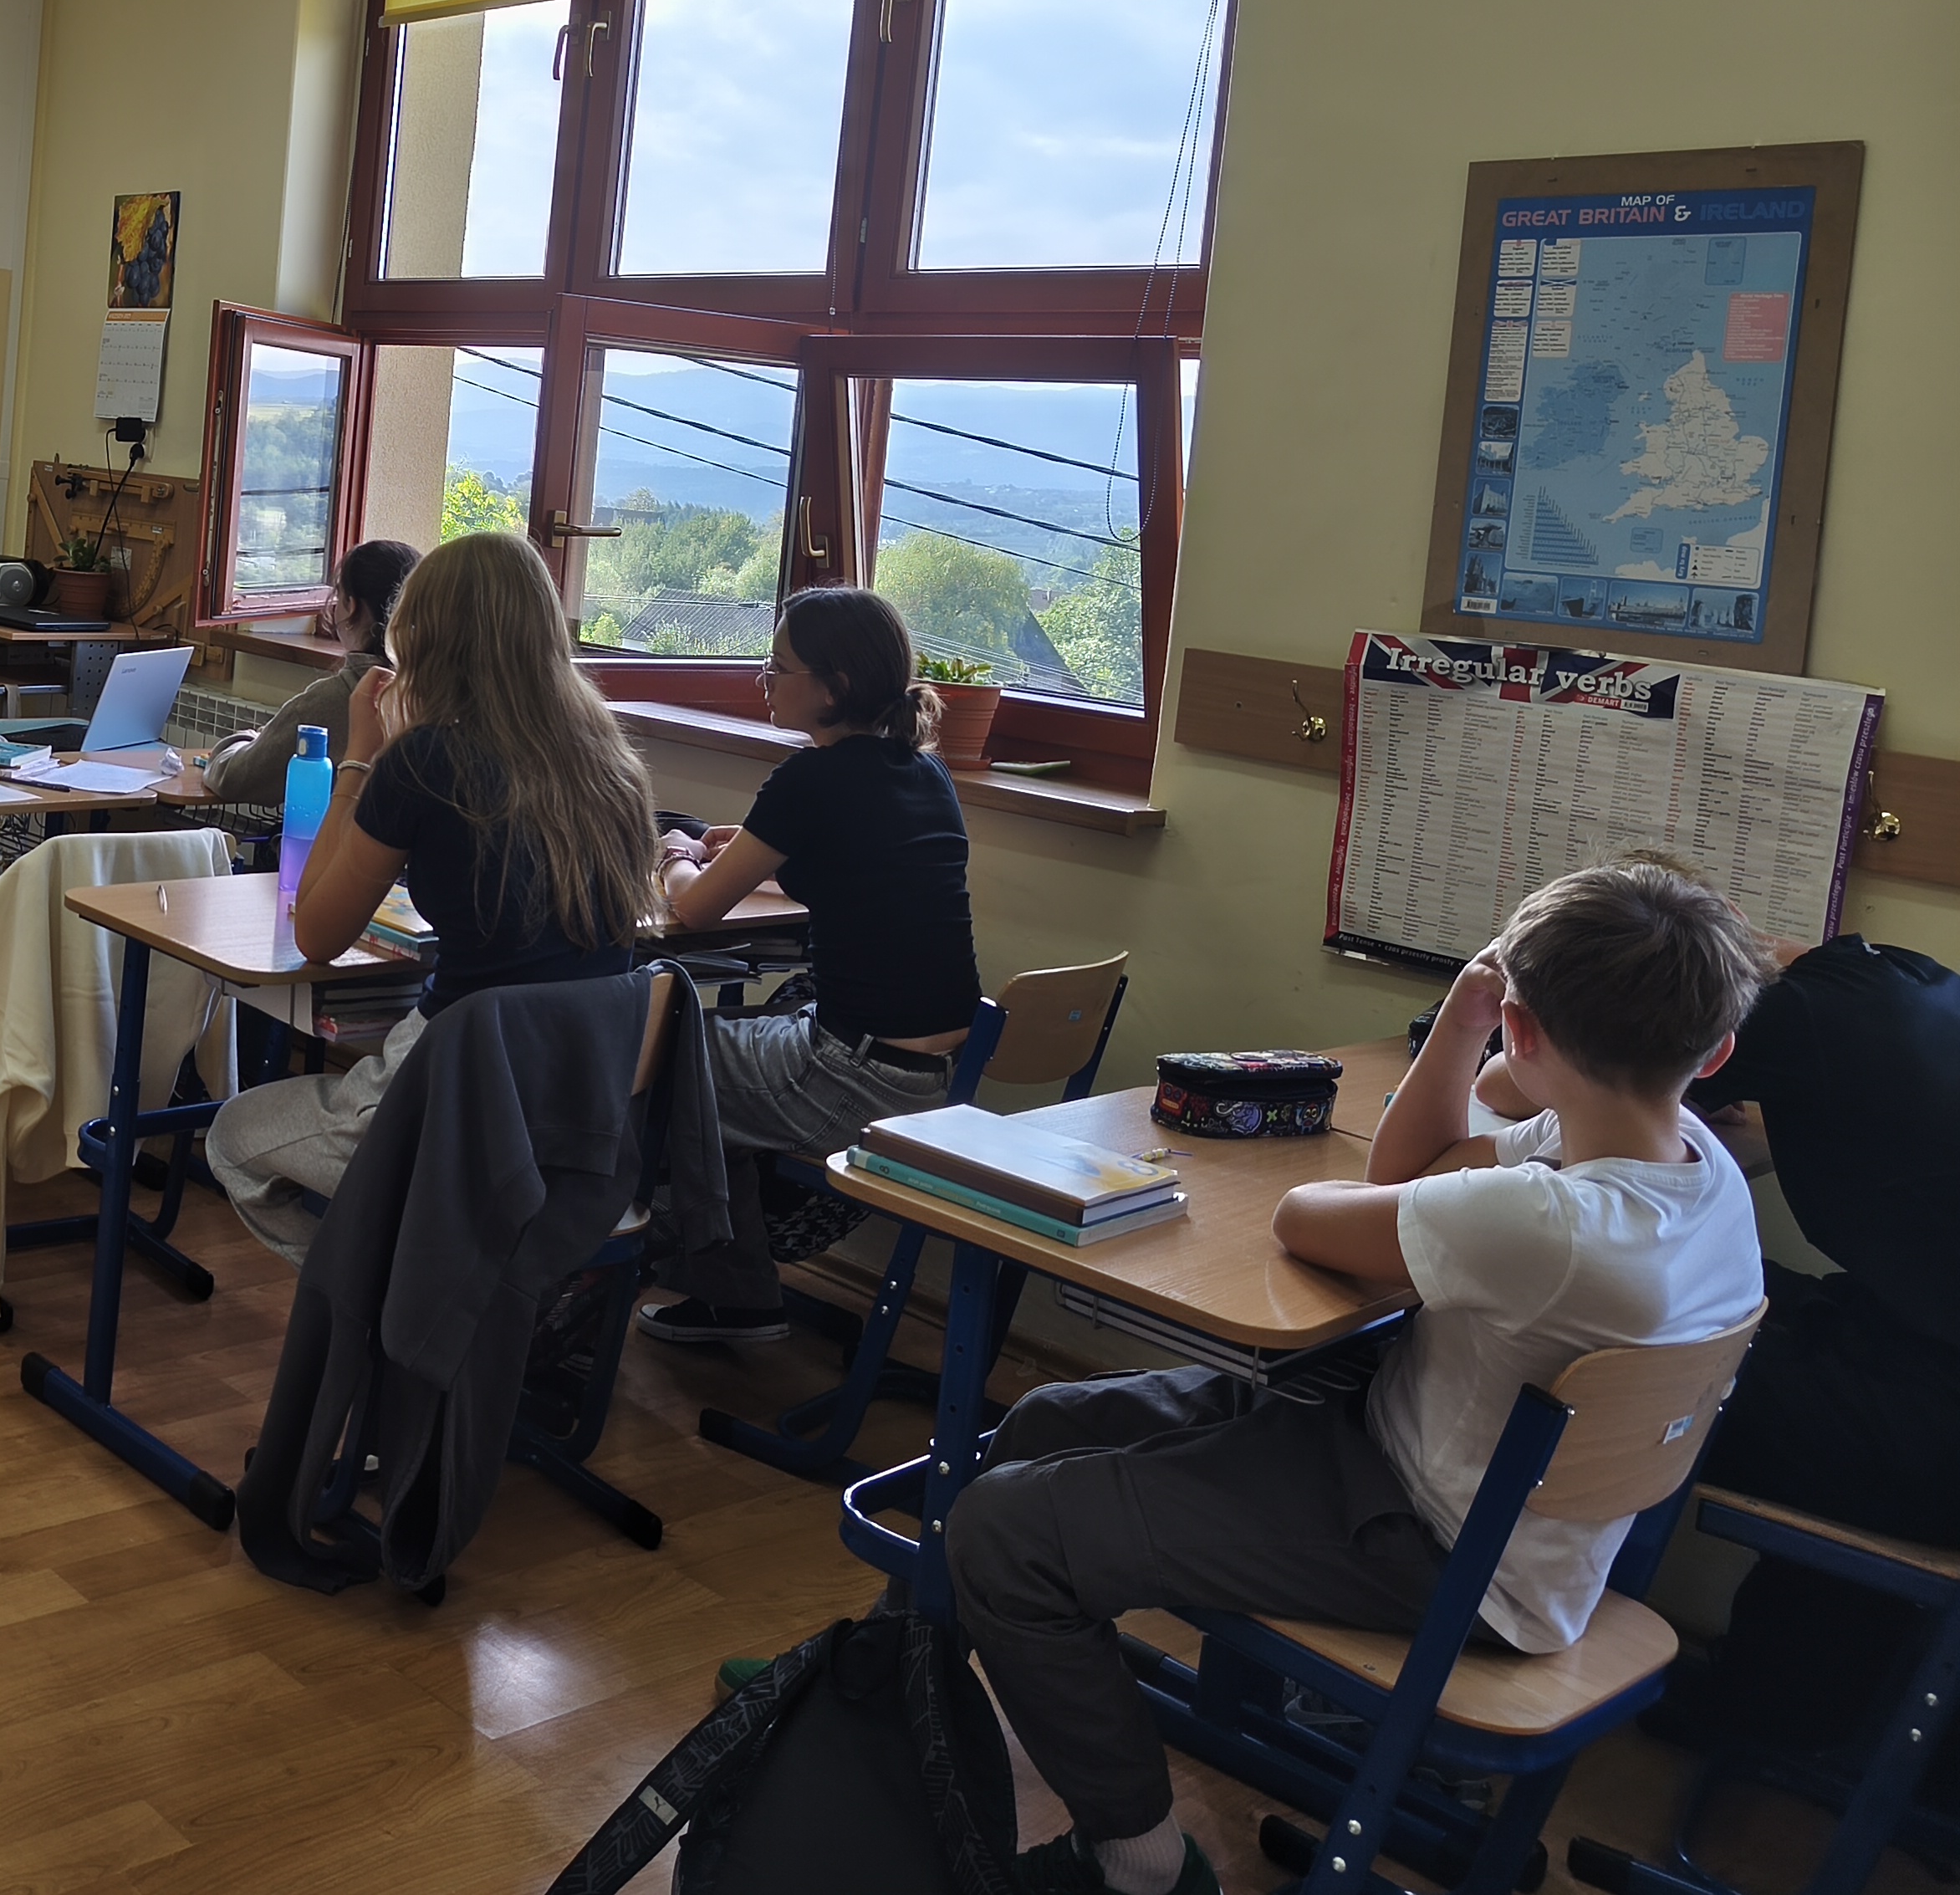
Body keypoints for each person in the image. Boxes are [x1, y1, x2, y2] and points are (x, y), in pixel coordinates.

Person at [944, 864, 1770, 1895]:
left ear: (1520, 1031)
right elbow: (1413, 1177)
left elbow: (1312, 1216)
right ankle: (917, 1686)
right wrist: (1484, 1032)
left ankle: (1139, 1863)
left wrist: (1468, 1020)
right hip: (1475, 1510)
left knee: (1005, 1529)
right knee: (1046, 1424)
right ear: (1716, 1051)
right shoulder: (1698, 1168)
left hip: (1442, 1550)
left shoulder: (1551, 1222)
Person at [205, 527, 658, 1268]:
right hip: (579, 1118)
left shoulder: (426, 759)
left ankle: (372, 1305)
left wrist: (360, 757)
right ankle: (438, 1289)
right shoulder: (611, 761)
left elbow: (315, 932)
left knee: (233, 1139)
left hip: (457, 1099)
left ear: (421, 638)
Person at [1649, 932, 1960, 1783]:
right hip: (1918, 1351)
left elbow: (1574, 1076)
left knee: (1629, 1356)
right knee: (1748, 1294)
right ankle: (1782, 1701)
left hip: (1933, 1431)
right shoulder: (1901, 976)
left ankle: (1511, 1645)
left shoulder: (1793, 1014)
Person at [632, 587, 981, 1345]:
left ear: (833, 687)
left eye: (778, 666)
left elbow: (696, 909)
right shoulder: (921, 771)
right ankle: (734, 1293)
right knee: (702, 1048)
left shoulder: (812, 779)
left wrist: (674, 853)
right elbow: (855, 864)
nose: (764, 679)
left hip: (850, 1078)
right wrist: (754, 846)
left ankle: (663, 1275)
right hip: (934, 1076)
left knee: (649, 1051)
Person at [200, 538, 421, 805]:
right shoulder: (430, 692)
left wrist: (248, 738)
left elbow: (232, 779)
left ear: (351, 605)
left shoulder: (339, 699)